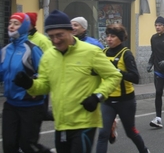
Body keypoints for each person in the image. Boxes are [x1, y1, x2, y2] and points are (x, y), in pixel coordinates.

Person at [13, 9, 122, 152]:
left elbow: (114, 76)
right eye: (51, 36)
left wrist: (98, 96)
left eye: (60, 35)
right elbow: (45, 86)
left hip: (85, 121)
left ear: (70, 31)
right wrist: (29, 84)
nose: (56, 40)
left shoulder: (91, 51)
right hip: (61, 123)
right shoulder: (49, 56)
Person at [0, 13, 51, 153]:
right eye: (10, 22)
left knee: (28, 146)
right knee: (9, 146)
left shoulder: (32, 49)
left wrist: (34, 85)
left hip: (31, 106)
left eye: (16, 23)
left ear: (23, 26)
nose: (11, 26)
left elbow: (45, 74)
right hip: (11, 105)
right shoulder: (5, 50)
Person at [96, 24, 149, 153]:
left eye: (112, 36)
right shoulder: (102, 53)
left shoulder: (126, 53)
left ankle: (144, 150)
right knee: (102, 134)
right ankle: (111, 130)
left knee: (131, 132)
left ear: (120, 38)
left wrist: (117, 71)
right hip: (107, 100)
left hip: (125, 101)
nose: (109, 39)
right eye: (107, 36)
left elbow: (136, 78)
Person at [26, 12, 54, 121]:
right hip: (26, 82)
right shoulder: (20, 39)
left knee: (40, 114)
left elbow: (50, 59)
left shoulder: (42, 40)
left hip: (40, 79)